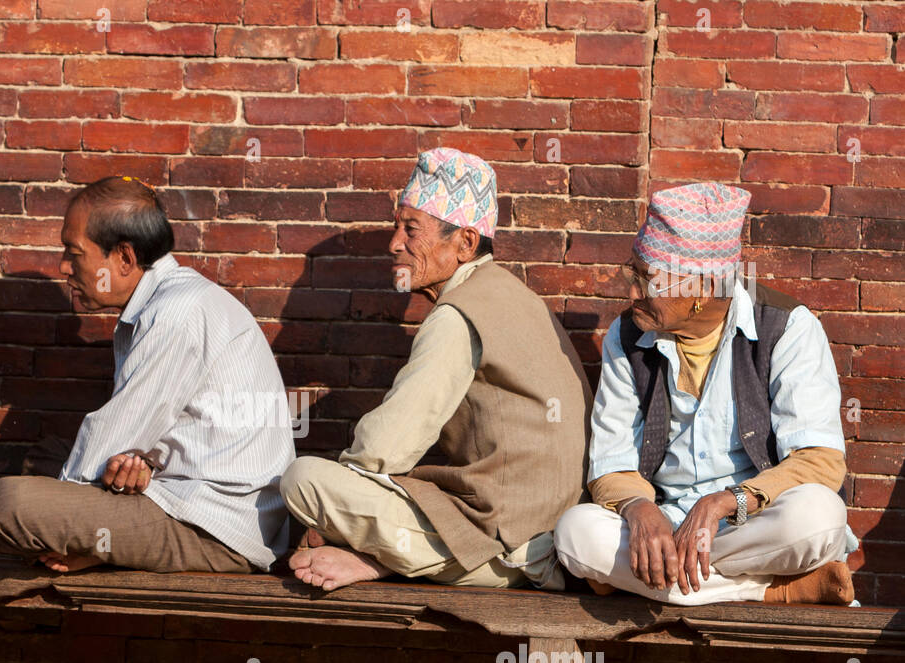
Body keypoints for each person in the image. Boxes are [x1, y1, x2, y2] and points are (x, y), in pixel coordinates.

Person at [280, 148, 592, 592]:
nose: (394, 243)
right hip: (538, 533)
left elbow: (384, 448)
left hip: (514, 549)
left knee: (304, 481)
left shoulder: (456, 316)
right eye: (396, 227)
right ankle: (385, 561)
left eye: (411, 230)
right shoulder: (508, 293)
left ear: (464, 243)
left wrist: (330, 521)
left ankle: (387, 559)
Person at [553, 182, 855, 606]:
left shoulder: (788, 329)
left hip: (751, 523)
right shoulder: (628, 336)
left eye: (648, 280)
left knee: (819, 518)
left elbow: (820, 463)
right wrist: (641, 513)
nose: (633, 292)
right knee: (574, 535)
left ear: (700, 289)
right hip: (666, 523)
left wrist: (723, 503)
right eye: (632, 273)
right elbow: (610, 462)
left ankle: (658, 582)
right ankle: (766, 591)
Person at [0, 176, 295, 574]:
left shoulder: (174, 313)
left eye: (73, 252)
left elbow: (115, 434)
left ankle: (92, 548)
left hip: (214, 528)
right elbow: (145, 436)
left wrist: (74, 511)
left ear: (125, 259)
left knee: (12, 503)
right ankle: (96, 545)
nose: (64, 267)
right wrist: (139, 468)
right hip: (180, 492)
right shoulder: (168, 301)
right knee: (44, 457)